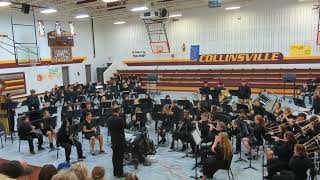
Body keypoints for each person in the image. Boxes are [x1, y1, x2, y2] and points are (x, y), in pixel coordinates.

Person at [108, 107, 127, 178]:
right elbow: (127, 126)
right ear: (118, 111)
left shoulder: (109, 119)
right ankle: (120, 173)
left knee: (115, 156)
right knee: (120, 157)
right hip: (120, 140)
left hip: (113, 140)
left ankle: (115, 172)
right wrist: (134, 121)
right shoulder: (120, 119)